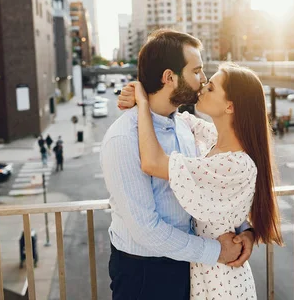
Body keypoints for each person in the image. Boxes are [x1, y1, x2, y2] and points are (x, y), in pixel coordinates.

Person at [101, 29, 256, 300]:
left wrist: (247, 231)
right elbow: (146, 229)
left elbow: (217, 189)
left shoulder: (185, 126)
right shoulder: (123, 137)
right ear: (169, 77)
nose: (203, 79)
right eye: (196, 71)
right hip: (145, 274)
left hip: (188, 263)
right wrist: (217, 252)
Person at [119, 64, 284, 298]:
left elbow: (153, 163)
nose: (203, 87)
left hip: (223, 281)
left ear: (229, 106)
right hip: (208, 272)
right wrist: (143, 97)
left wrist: (143, 104)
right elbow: (184, 120)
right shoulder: (217, 139)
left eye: (212, 87)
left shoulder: (236, 163)